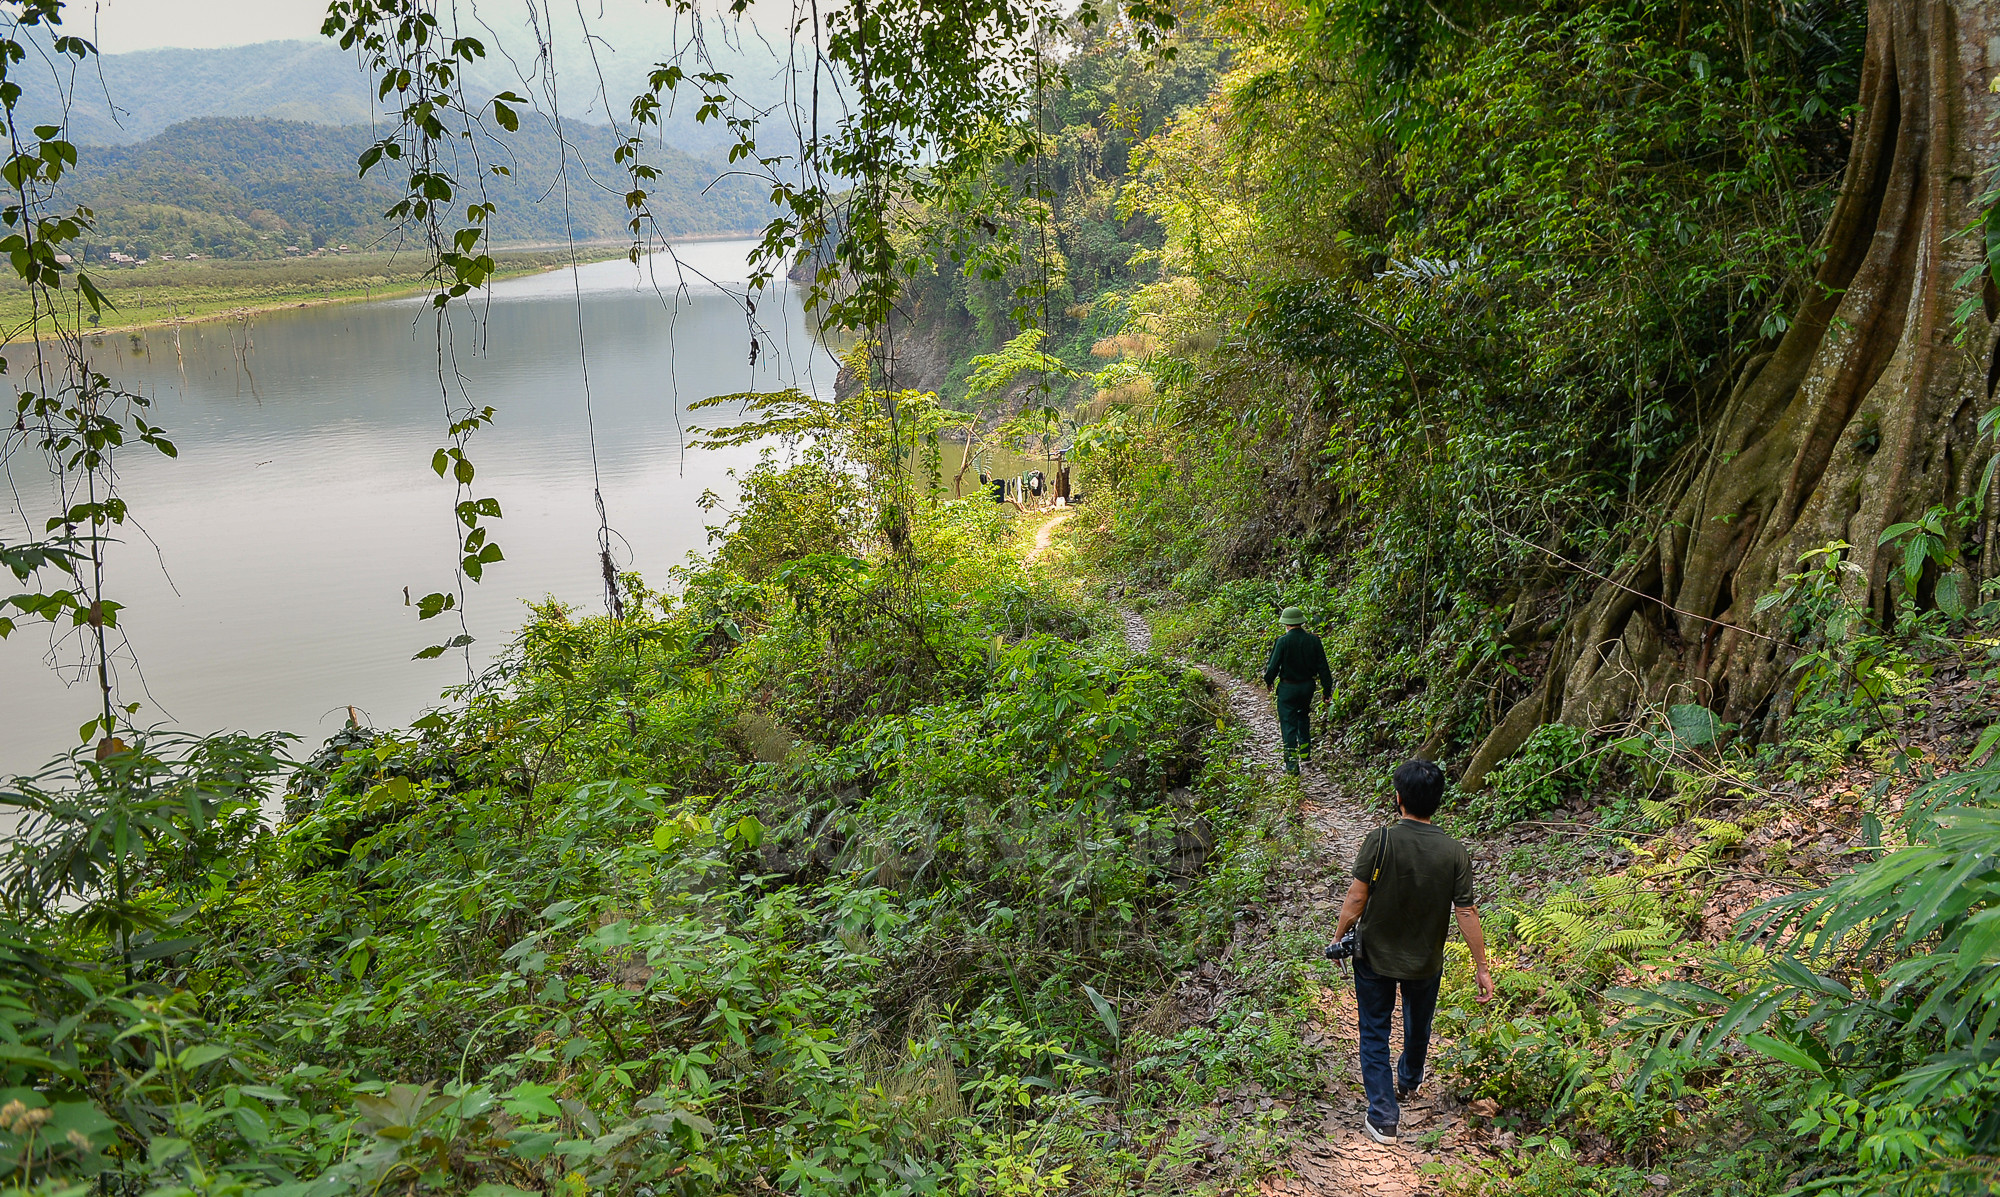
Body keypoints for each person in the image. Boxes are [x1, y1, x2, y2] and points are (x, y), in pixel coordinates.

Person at [1333, 759, 1495, 1144]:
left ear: (1399, 797)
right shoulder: (1454, 852)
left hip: (1375, 956)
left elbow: (1357, 898)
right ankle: (1408, 1080)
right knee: (1418, 1023)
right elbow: (1466, 912)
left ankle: (1384, 1116)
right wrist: (1481, 966)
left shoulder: (1381, 839)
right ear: (1437, 801)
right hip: (1425, 960)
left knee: (1374, 1030)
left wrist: (1340, 935)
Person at [1262, 607, 1333, 774]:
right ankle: (1306, 756)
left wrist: (1269, 681)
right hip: (1307, 687)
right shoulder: (1314, 641)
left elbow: (1273, 666)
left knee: (1288, 725)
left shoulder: (1282, 641)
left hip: (1288, 688)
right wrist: (1327, 689)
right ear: (1301, 622)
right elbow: (1323, 667)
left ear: (1286, 623)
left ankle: (1292, 766)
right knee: (1303, 719)